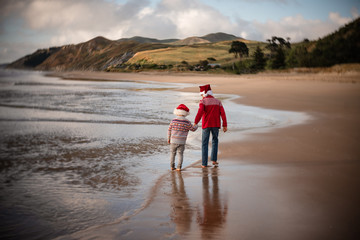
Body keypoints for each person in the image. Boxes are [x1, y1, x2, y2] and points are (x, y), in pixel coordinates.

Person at [194, 84, 227, 168]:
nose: (201, 96)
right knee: (215, 141)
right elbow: (223, 113)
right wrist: (224, 125)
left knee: (204, 143)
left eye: (201, 94)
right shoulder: (218, 101)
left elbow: (200, 112)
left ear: (204, 93)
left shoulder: (203, 101)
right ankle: (214, 160)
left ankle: (204, 163)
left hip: (206, 125)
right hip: (216, 125)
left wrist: (196, 122)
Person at [168, 104, 198, 171]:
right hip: (182, 141)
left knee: (172, 153)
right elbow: (193, 129)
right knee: (180, 154)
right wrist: (196, 125)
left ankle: (172, 166)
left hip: (173, 140)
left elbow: (169, 130)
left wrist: (168, 138)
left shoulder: (173, 120)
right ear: (186, 113)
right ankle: (179, 167)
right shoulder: (187, 122)